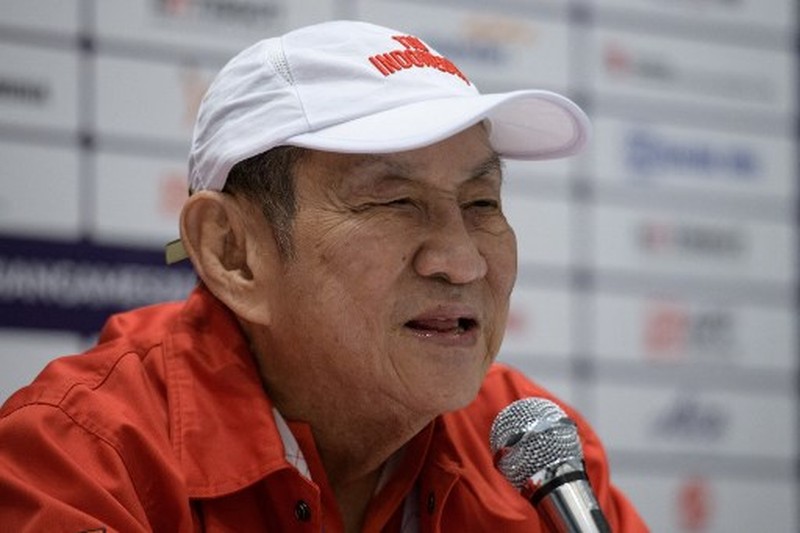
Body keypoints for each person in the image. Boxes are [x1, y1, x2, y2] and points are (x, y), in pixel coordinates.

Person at [0, 20, 647, 532]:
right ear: (232, 252)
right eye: (394, 201)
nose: (463, 259)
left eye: (481, 203)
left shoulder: (536, 454)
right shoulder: (79, 459)